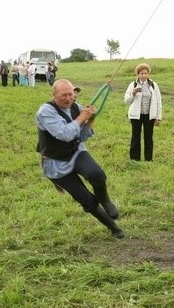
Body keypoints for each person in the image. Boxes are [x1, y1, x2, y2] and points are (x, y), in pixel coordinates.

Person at [36, 79, 124, 238]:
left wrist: (90, 119)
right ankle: (113, 227)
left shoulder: (76, 107)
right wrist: (82, 117)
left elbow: (81, 136)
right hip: (55, 162)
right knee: (86, 199)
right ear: (54, 94)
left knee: (96, 174)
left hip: (75, 152)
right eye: (64, 95)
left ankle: (105, 200)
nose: (68, 98)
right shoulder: (46, 111)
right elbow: (64, 134)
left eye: (71, 94)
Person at [123, 63, 162, 162]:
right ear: (138, 74)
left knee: (148, 138)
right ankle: (134, 159)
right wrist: (133, 93)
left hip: (149, 115)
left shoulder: (153, 85)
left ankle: (148, 159)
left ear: (148, 74)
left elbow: (158, 101)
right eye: (141, 73)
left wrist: (158, 117)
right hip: (136, 116)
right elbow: (127, 101)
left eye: (145, 73)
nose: (144, 75)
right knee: (135, 138)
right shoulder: (133, 85)